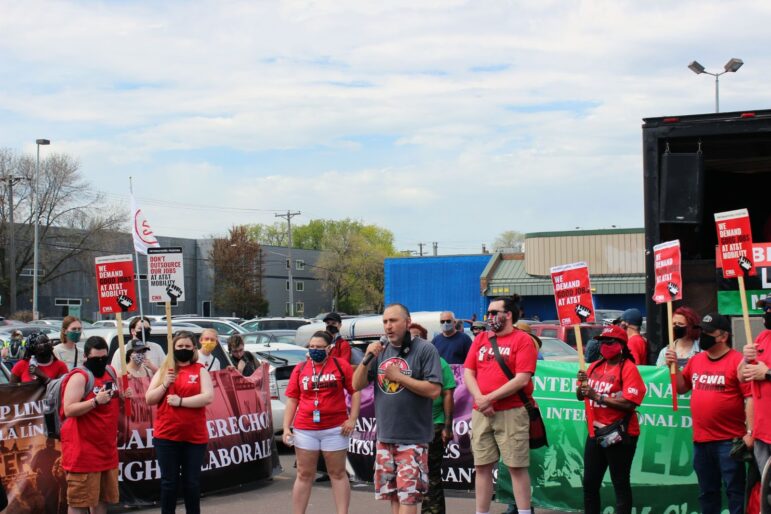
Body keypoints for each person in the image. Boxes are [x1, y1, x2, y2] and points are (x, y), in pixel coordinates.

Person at [353, 304, 442, 514]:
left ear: (407, 322)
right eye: (385, 322)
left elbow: (434, 390)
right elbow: (356, 385)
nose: (388, 326)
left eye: (393, 321)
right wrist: (366, 360)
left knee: (409, 498)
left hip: (412, 438)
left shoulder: (425, 349)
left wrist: (400, 377)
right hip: (385, 437)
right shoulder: (379, 351)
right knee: (393, 496)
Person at [666, 312, 752, 514]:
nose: (703, 335)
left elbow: (750, 398)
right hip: (701, 441)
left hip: (730, 441)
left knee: (735, 491)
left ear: (723, 336)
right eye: (701, 331)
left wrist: (750, 432)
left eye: (708, 333)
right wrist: (674, 367)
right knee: (707, 492)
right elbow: (681, 388)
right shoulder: (696, 360)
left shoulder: (738, 361)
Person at [463, 295, 537, 514]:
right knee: (482, 466)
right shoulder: (481, 339)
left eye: (495, 312)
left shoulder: (522, 340)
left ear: (508, 315)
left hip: (512, 411)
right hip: (481, 412)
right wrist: (480, 398)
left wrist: (489, 398)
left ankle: (524, 512)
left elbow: (522, 379)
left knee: (516, 466)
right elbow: (469, 371)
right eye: (489, 312)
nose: (490, 316)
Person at [282, 331, 361, 514]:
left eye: (319, 347)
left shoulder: (341, 366)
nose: (314, 350)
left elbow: (355, 391)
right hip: (305, 429)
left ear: (329, 348)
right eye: (311, 347)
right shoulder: (300, 368)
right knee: (304, 474)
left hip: (335, 429)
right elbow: (292, 399)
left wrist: (352, 419)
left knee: (338, 473)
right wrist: (286, 427)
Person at [576, 325, 646, 514]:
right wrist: (581, 385)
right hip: (595, 433)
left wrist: (597, 396)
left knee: (620, 483)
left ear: (621, 345)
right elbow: (580, 396)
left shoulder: (628, 368)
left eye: (609, 342)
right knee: (590, 484)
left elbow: (630, 403)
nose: (604, 346)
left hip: (620, 435)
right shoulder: (594, 366)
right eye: (601, 342)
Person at [61, 335, 132, 514]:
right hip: (83, 452)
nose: (100, 361)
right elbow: (69, 409)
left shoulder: (110, 371)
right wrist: (94, 402)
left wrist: (120, 395)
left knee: (102, 499)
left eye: (103, 357)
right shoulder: (79, 377)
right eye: (96, 359)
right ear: (85, 357)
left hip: (106, 449)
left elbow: (110, 398)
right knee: (80, 501)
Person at [145, 331, 214, 514]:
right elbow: (149, 399)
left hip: (194, 438)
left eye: (187, 347)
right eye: (180, 346)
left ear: (193, 349)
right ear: (173, 348)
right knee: (169, 483)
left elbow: (208, 397)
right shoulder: (164, 370)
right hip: (167, 437)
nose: (183, 349)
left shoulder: (200, 370)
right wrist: (165, 384)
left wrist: (181, 402)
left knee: (192, 483)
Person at [740, 298, 771, 488]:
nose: (766, 313)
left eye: (770, 309)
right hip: (762, 433)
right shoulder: (762, 338)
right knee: (767, 493)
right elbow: (742, 377)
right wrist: (745, 360)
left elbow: (763, 374)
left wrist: (767, 373)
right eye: (765, 309)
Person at [422, 352, 455, 514]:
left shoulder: (439, 362)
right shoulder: (404, 362)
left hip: (434, 425)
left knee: (431, 474)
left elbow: (448, 393)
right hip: (410, 427)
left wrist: (447, 427)